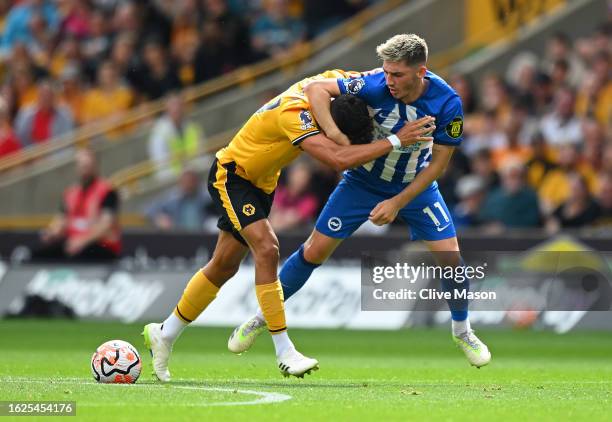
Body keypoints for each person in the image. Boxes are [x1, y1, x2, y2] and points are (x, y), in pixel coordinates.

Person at [142, 70, 433, 382]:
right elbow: (337, 159)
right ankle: (284, 350)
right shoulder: (295, 115)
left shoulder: (334, 81)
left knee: (223, 266)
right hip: (234, 175)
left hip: (262, 182)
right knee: (268, 249)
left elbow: (376, 77)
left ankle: (164, 333)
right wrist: (395, 140)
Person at [228, 34, 491, 368]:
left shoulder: (446, 102)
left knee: (451, 258)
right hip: (362, 182)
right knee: (313, 251)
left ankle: (462, 331)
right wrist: (336, 138)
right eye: (387, 72)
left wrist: (397, 202)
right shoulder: (370, 84)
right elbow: (316, 90)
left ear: (420, 72)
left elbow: (438, 165)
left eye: (397, 74)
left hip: (416, 186)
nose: (389, 80)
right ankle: (262, 317)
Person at [34, 149, 121, 261]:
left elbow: (105, 225)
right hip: (73, 242)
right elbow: (61, 220)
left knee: (79, 254)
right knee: (38, 255)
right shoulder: (71, 193)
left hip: (99, 245)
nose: (85, 170)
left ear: (95, 166)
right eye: (82, 166)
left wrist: (82, 240)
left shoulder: (107, 191)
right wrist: (52, 233)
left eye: (88, 166)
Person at [145, 169, 213, 231]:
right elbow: (150, 210)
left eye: (191, 181)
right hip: (179, 237)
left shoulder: (207, 199)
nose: (188, 185)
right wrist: (159, 218)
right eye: (185, 181)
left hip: (203, 236)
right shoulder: (172, 200)